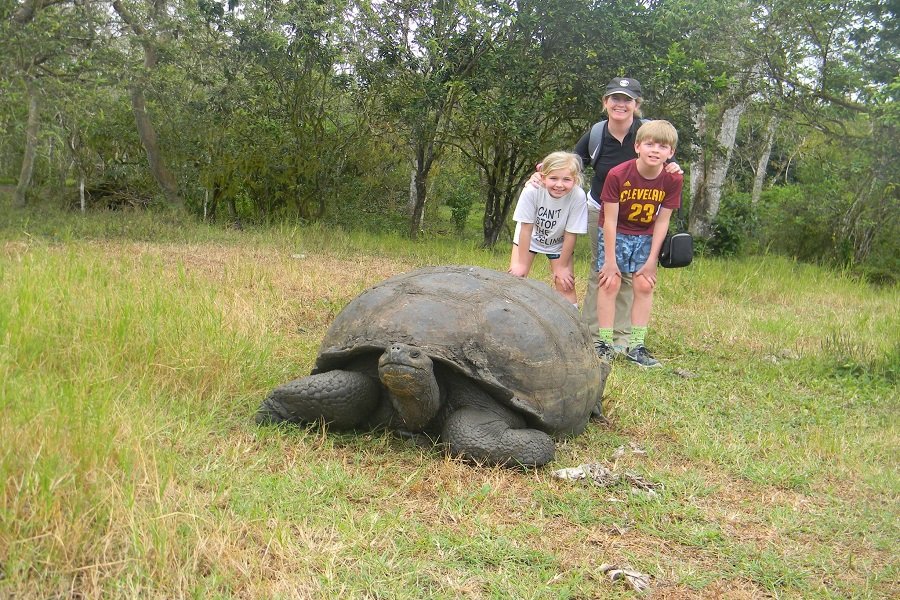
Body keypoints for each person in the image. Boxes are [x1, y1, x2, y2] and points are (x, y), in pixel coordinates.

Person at [532, 77, 681, 357]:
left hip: (640, 215)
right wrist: (544, 171)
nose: (620, 104)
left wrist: (675, 170)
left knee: (630, 275)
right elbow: (573, 162)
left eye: (627, 100)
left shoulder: (648, 134)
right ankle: (593, 335)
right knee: (601, 271)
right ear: (605, 103)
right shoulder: (597, 134)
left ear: (637, 105)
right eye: (615, 98)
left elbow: (666, 161)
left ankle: (623, 337)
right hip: (601, 209)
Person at [594, 120, 683, 367]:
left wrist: (652, 260)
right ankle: (604, 343)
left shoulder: (672, 179)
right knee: (609, 283)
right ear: (637, 147)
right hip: (617, 230)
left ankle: (636, 345)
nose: (655, 150)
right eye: (650, 144)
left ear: (671, 152)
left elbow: (663, 221)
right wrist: (610, 261)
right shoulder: (618, 174)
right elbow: (609, 220)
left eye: (662, 146)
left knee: (644, 285)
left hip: (646, 233)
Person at [509, 151, 588, 305]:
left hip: (559, 242)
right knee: (515, 279)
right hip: (529, 238)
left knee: (565, 284)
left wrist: (562, 266)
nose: (559, 185)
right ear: (543, 177)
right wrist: (522, 264)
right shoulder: (532, 191)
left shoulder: (578, 196)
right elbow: (526, 228)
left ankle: (572, 325)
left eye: (566, 179)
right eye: (553, 178)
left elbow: (571, 234)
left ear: (575, 180)